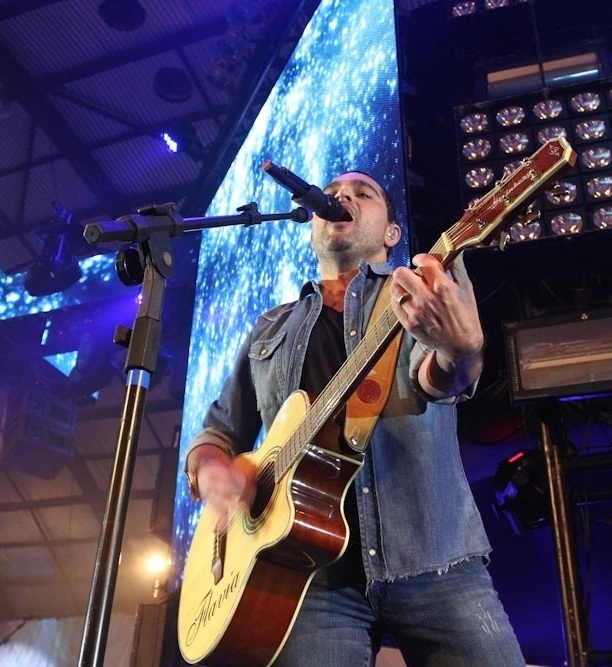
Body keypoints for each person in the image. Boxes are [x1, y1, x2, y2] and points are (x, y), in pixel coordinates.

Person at [183, 170, 525, 666]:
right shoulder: (269, 327)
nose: (342, 198)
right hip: (307, 580)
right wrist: (212, 469)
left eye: (362, 194)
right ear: (313, 225)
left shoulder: (419, 295)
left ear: (392, 234)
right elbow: (218, 431)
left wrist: (462, 352)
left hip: (435, 558)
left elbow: (436, 379)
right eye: (336, 194)